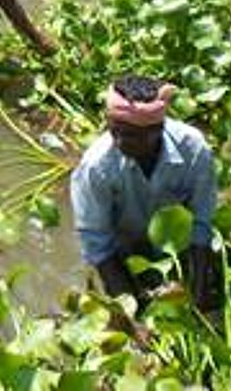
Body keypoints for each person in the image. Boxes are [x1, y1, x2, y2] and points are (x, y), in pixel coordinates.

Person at [69, 75, 218, 314]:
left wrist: (198, 294)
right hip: (124, 252)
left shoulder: (194, 149)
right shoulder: (95, 168)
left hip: (176, 248)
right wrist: (131, 314)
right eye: (114, 130)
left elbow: (201, 224)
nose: (119, 141)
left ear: (158, 129)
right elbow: (97, 244)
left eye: (131, 135)